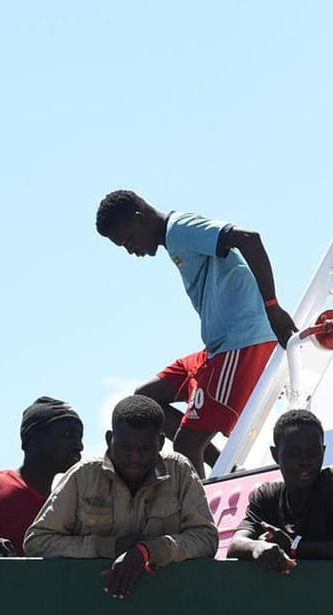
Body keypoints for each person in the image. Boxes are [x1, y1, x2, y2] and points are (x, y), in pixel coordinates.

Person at [97, 190, 294, 476]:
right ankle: (229, 470)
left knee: (186, 446)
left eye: (128, 241)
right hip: (217, 347)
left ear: (139, 219)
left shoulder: (180, 229)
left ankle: (200, 516)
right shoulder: (174, 241)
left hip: (242, 344)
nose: (131, 251)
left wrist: (272, 307)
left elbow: (249, 239)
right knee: (145, 400)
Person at [25, 397, 217, 597]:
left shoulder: (180, 472)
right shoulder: (84, 476)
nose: (134, 457)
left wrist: (150, 551)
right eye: (125, 448)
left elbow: (207, 539)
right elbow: (38, 542)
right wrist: (107, 547)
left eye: (144, 449)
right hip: (87, 603)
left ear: (160, 443)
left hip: (166, 603)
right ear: (109, 440)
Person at [227, 409, 333, 571]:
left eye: (313, 453)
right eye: (294, 454)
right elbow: (236, 544)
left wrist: (296, 547)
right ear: (275, 455)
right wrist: (257, 547)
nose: (304, 461)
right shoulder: (266, 497)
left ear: (323, 452)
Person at [0, 397, 83, 556]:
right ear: (32, 437)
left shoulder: (68, 507)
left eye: (80, 437)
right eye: (69, 435)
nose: (79, 446)